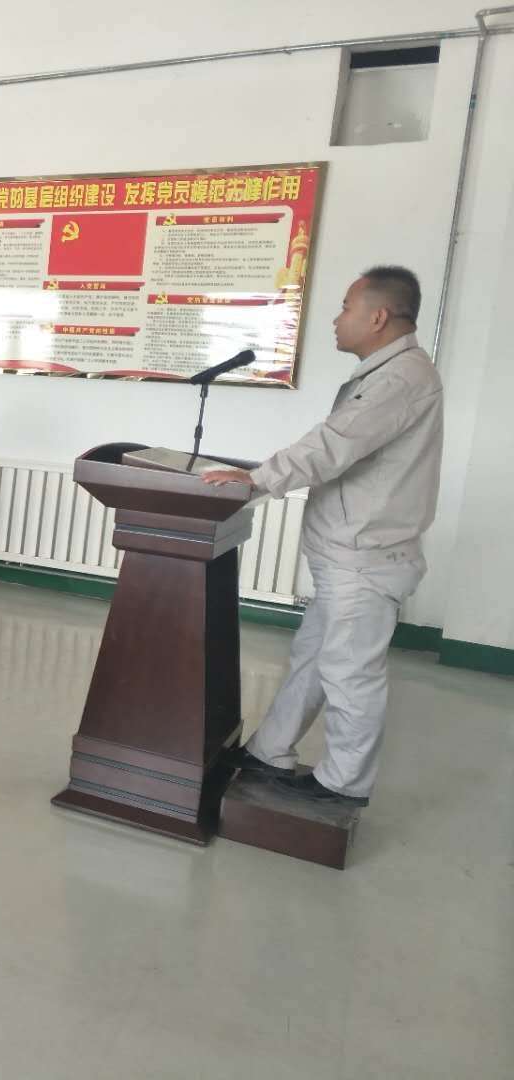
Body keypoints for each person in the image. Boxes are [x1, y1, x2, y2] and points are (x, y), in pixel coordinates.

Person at [204, 266, 444, 807]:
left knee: (349, 672)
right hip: (349, 553)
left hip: (365, 556)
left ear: (377, 317)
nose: (337, 319)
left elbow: (333, 445)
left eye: (345, 307)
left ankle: (343, 784)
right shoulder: (388, 373)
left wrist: (256, 480)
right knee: (315, 657)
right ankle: (270, 750)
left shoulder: (401, 378)